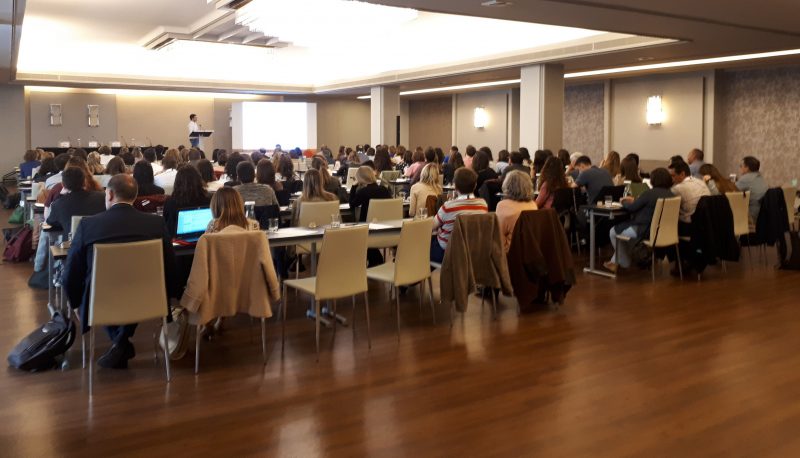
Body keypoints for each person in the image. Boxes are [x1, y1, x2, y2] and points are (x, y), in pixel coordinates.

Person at [63, 174, 177, 369]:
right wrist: (170, 296)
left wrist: (75, 304)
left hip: (101, 301)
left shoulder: (89, 225)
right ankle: (122, 342)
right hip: (148, 299)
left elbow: (70, 274)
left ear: (109, 195)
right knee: (130, 291)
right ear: (135, 196)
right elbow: (170, 266)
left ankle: (120, 343)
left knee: (100, 288)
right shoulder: (155, 224)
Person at [604, 167, 675, 272]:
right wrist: (636, 200)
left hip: (644, 230)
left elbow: (632, 208)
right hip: (663, 232)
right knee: (627, 238)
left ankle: (624, 261)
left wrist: (624, 202)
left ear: (653, 180)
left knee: (613, 232)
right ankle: (614, 262)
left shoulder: (649, 193)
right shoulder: (672, 194)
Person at [431, 168, 488, 263]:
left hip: (448, 253)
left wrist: (440, 229)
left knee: (424, 245)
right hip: (473, 252)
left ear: (455, 186)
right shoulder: (483, 205)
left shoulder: (448, 207)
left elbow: (432, 226)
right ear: (475, 185)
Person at [349, 166, 392, 266]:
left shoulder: (363, 192)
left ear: (360, 178)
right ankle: (376, 261)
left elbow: (352, 204)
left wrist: (354, 186)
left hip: (366, 228)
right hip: (385, 226)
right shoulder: (384, 189)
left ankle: (375, 260)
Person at [46, 167, 106, 235]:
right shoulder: (102, 197)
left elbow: (50, 221)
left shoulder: (58, 204)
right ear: (84, 182)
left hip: (73, 240)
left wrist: (60, 195)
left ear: (63, 185)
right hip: (100, 239)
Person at [163, 165, 212, 237]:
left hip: (178, 241)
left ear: (177, 182)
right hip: (206, 237)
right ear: (199, 180)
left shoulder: (171, 202)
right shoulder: (209, 199)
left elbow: (166, 224)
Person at [496, 171, 538, 252]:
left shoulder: (502, 205)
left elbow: (498, 235)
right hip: (531, 250)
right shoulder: (533, 205)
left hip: (510, 251)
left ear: (507, 186)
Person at [668, 160, 710, 233]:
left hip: (689, 226)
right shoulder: (701, 182)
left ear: (682, 174)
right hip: (707, 225)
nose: (671, 179)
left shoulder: (677, 189)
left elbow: (669, 209)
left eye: (673, 176)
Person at [735, 156, 768, 224]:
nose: (740, 168)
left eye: (741, 166)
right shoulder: (760, 177)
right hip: (764, 214)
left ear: (747, 168)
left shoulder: (746, 179)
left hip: (752, 216)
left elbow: (730, 191)